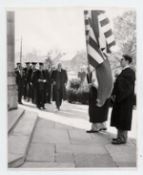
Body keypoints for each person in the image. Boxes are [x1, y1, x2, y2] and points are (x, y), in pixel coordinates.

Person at [110, 54, 135, 144]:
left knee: (123, 119)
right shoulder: (124, 71)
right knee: (119, 119)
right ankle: (119, 137)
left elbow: (127, 87)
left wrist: (118, 95)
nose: (121, 61)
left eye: (122, 59)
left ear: (127, 61)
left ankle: (122, 139)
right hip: (121, 100)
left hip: (125, 101)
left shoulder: (130, 72)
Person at [86, 66, 109, 133]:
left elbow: (99, 85)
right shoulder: (90, 73)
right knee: (99, 110)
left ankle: (95, 127)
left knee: (95, 110)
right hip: (95, 94)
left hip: (97, 94)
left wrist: (93, 84)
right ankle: (102, 126)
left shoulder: (99, 73)